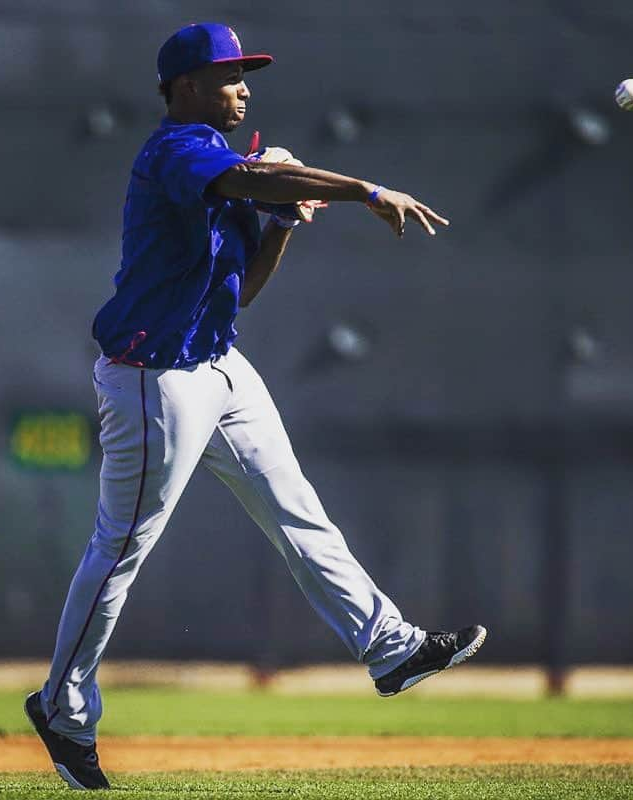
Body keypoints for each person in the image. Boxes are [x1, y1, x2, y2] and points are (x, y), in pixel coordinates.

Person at [24, 22, 487, 790]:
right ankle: (63, 705)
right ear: (185, 88)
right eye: (228, 73)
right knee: (120, 551)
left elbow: (243, 290)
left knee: (298, 511)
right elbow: (256, 181)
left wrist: (280, 222)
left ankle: (392, 648)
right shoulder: (177, 150)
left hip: (217, 368)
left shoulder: (226, 167)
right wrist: (358, 188)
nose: (244, 85)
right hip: (152, 379)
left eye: (246, 73)